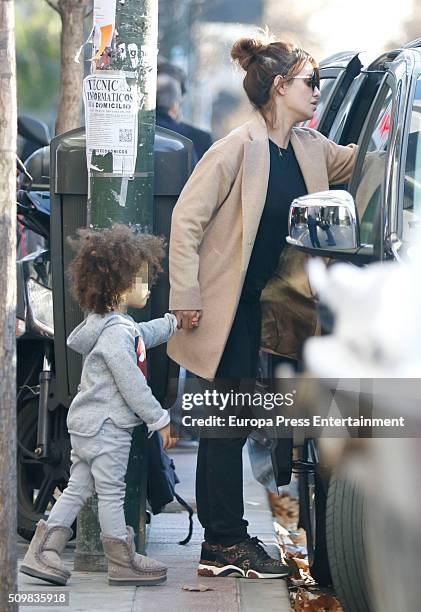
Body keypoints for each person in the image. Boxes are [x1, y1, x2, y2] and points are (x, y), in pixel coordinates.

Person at [168, 36, 358, 579]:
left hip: (268, 307)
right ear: (280, 87)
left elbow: (367, 164)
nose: (316, 93)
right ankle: (223, 543)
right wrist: (185, 294)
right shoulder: (236, 147)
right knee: (226, 422)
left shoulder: (309, 147)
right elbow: (186, 220)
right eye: (310, 83)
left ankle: (227, 538)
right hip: (224, 307)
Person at [20, 224, 178, 588]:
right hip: (108, 427)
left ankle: (43, 551)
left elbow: (144, 335)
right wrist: (159, 419)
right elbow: (132, 383)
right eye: (142, 280)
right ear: (121, 287)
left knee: (78, 488)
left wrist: (173, 324)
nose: (148, 286)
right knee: (111, 492)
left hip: (88, 426)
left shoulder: (110, 325)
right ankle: (122, 560)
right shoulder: (117, 334)